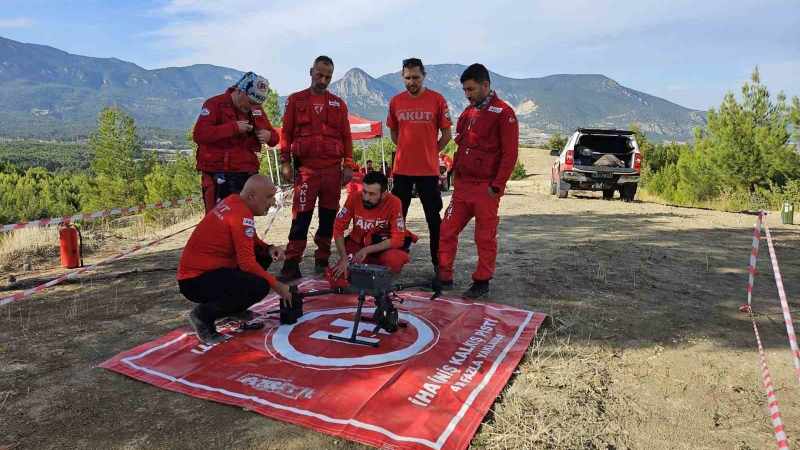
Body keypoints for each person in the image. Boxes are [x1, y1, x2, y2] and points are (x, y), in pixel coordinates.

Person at [177, 175, 292, 344]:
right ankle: (202, 316)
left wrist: (269, 248)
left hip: (204, 274)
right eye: (268, 197)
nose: (272, 202)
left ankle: (235, 308)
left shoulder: (236, 202)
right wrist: (277, 284)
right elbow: (247, 263)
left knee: (262, 255)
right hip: (195, 281)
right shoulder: (241, 213)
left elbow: (248, 238)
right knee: (260, 285)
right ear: (252, 196)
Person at [436, 64, 518, 298]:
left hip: (486, 188)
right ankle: (444, 276)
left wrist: (497, 186)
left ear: (485, 85)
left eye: (470, 89)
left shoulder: (504, 113)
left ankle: (482, 281)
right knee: (447, 230)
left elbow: (509, 154)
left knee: (484, 236)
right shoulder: (468, 113)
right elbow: (461, 144)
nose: (467, 94)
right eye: (464, 90)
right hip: (462, 187)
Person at [279, 56, 356, 280]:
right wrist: (285, 161)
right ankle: (292, 263)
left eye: (328, 77)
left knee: (328, 218)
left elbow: (346, 137)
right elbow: (287, 132)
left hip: (332, 171)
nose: (323, 80)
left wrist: (348, 164)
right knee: (300, 218)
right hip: (306, 171)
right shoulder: (295, 100)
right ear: (311, 71)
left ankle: (322, 260)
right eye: (319, 74)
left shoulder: (338, 104)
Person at [386, 58, 452, 272]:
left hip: (428, 171)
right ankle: (393, 261)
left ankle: (438, 264)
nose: (412, 82)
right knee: (397, 219)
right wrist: (406, 148)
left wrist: (431, 150)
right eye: (407, 78)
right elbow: (394, 133)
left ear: (424, 76)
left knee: (434, 220)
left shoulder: (437, 100)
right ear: (402, 77)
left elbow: (447, 134)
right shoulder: (396, 101)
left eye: (416, 77)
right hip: (402, 171)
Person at [193, 72, 279, 213]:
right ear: (239, 91)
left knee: (244, 219)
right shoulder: (214, 104)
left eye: (257, 104)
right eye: (250, 102)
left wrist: (269, 136)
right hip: (219, 175)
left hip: (247, 175)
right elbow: (200, 134)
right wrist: (233, 128)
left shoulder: (256, 108)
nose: (253, 107)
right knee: (219, 220)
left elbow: (275, 138)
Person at [331, 171, 411, 278]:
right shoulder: (353, 198)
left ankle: (380, 272)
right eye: (364, 192)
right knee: (342, 275)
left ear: (383, 194)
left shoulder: (394, 203)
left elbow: (398, 239)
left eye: (372, 194)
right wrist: (344, 257)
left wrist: (367, 250)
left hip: (382, 247)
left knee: (394, 261)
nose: (366, 198)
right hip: (357, 245)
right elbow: (338, 228)